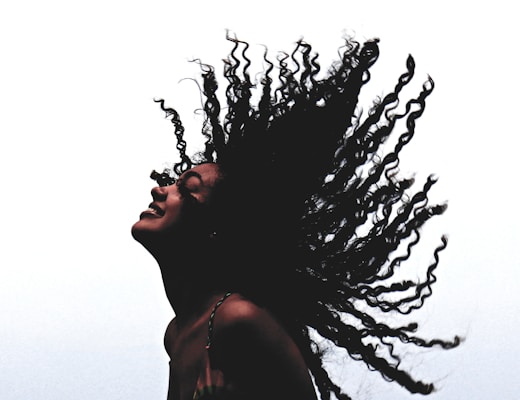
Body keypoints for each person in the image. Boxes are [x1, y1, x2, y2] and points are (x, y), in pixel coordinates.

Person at [131, 33, 461, 400]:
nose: (161, 190)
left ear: (215, 229)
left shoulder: (237, 321)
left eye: (187, 188)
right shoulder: (178, 333)